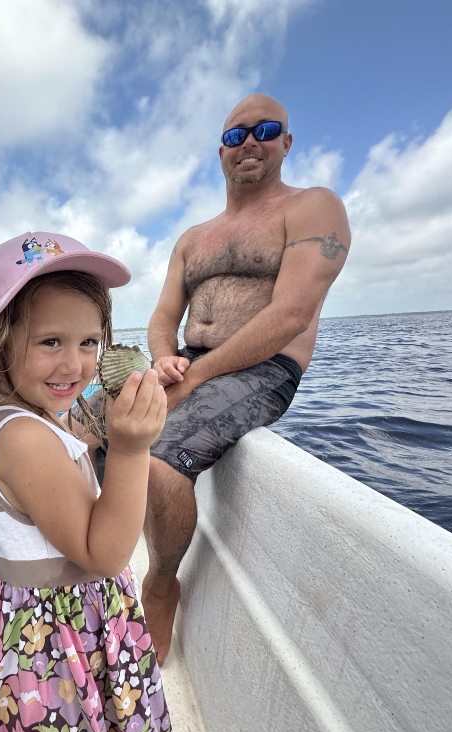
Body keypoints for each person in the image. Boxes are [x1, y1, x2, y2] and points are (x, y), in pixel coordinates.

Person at [142, 93, 351, 664]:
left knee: (160, 466)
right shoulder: (193, 237)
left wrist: (196, 376)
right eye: (236, 135)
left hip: (265, 369)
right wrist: (165, 360)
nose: (249, 142)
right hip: (189, 359)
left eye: (265, 130)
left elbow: (291, 314)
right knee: (84, 429)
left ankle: (162, 582)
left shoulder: (312, 207)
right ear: (221, 152)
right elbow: (163, 317)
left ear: (287, 142)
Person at [0, 232, 175, 732]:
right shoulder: (26, 439)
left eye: (89, 343)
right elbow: (105, 553)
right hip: (57, 639)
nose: (75, 366)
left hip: (39, 612)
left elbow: (73, 440)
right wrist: (130, 448)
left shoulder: (17, 415)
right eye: (50, 342)